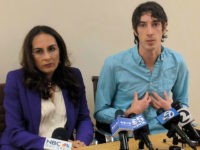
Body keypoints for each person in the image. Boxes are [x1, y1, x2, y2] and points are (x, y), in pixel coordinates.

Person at [94, 1, 189, 134]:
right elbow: (99, 112)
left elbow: (183, 104)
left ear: (164, 27)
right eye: (143, 25)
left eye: (155, 24)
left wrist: (172, 110)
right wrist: (127, 113)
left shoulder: (177, 62)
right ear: (135, 30)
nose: (149, 32)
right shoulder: (113, 64)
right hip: (128, 136)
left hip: (163, 135)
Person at [0, 25, 93, 149]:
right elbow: (15, 132)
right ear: (30, 56)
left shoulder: (74, 76)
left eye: (51, 49)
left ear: (60, 50)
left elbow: (84, 119)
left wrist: (81, 144)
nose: (47, 57)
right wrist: (61, 146)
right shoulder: (16, 80)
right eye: (39, 51)